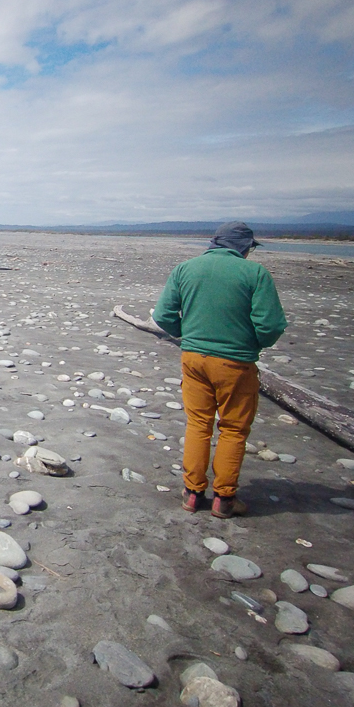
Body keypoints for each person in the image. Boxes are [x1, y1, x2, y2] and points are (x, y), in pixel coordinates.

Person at [153, 221, 287, 518]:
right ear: (243, 247)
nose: (251, 252)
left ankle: (192, 494)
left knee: (198, 424)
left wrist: (187, 334)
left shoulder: (186, 269)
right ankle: (224, 499)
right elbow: (272, 325)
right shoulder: (254, 273)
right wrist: (252, 344)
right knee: (234, 430)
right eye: (250, 247)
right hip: (236, 363)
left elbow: (162, 315)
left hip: (194, 358)